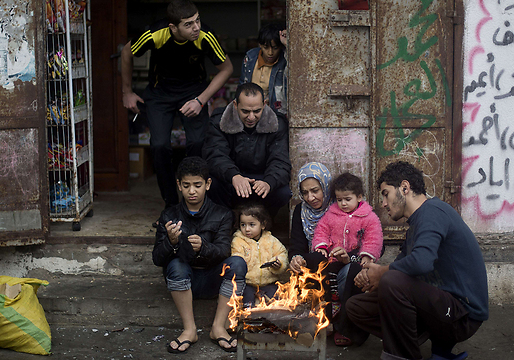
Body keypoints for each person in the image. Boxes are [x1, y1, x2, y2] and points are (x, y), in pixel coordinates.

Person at [346, 161, 489, 360]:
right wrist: (372, 274)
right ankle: (416, 338)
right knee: (356, 307)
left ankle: (402, 355)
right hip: (438, 307)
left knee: (391, 281)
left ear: (404, 188)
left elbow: (420, 263)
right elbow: (401, 265)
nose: (383, 203)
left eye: (386, 194)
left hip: (462, 316)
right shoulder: (416, 223)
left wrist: (383, 273)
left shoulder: (432, 212)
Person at [121, 0, 233, 220]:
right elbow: (126, 52)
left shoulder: (204, 36)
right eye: (189, 24)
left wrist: (200, 101)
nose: (196, 27)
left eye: (198, 20)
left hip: (194, 92)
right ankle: (171, 205)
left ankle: (197, 204)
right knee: (160, 146)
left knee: (197, 144)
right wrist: (127, 92)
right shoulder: (156, 34)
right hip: (159, 92)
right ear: (174, 27)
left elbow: (226, 68)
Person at [151, 156, 247, 354]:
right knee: (176, 264)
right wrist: (171, 242)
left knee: (237, 263)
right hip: (184, 280)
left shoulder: (222, 214)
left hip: (214, 280)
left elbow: (223, 251)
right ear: (178, 185)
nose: (192, 191)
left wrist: (203, 246)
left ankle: (218, 327)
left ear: (208, 184)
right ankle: (189, 329)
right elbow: (157, 259)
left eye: (197, 185)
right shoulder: (169, 215)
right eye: (186, 185)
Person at [310, 172, 384, 345]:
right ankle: (326, 317)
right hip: (333, 261)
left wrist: (366, 255)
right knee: (319, 271)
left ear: (359, 197)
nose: (342, 203)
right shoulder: (330, 215)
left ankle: (346, 328)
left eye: (347, 199)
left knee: (354, 273)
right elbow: (321, 231)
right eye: (339, 199)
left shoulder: (369, 217)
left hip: (355, 262)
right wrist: (321, 247)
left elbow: (374, 239)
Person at [203, 82, 292, 218]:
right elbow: (215, 155)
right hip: (232, 180)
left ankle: (263, 221)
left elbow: (280, 161)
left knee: (283, 192)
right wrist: (234, 176)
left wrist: (269, 182)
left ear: (265, 104)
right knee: (211, 184)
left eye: (257, 111)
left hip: (261, 181)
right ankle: (226, 220)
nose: (251, 117)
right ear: (235, 105)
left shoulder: (277, 123)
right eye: (245, 111)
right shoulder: (219, 121)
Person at [231, 203, 288, 308]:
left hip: (269, 282)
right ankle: (249, 318)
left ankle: (269, 319)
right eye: (243, 224)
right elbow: (236, 259)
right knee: (247, 303)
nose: (247, 229)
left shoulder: (271, 240)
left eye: (252, 225)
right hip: (248, 283)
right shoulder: (238, 241)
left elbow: (281, 253)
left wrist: (278, 263)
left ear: (263, 225)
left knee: (275, 301)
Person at [239, 23, 288, 116]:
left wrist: (287, 43)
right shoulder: (250, 58)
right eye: (266, 47)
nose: (270, 53)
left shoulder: (284, 60)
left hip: (276, 113)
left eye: (275, 48)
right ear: (260, 45)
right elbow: (242, 86)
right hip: (251, 112)